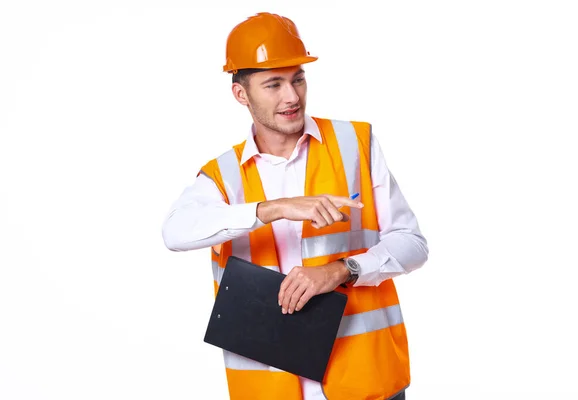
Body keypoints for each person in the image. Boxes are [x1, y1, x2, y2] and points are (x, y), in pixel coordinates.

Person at [162, 11, 429, 400]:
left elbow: (412, 243)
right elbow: (175, 232)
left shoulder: (355, 144)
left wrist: (342, 270)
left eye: (298, 79)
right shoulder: (224, 176)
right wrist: (273, 208)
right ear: (241, 93)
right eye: (273, 84)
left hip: (364, 380)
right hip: (269, 389)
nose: (292, 97)